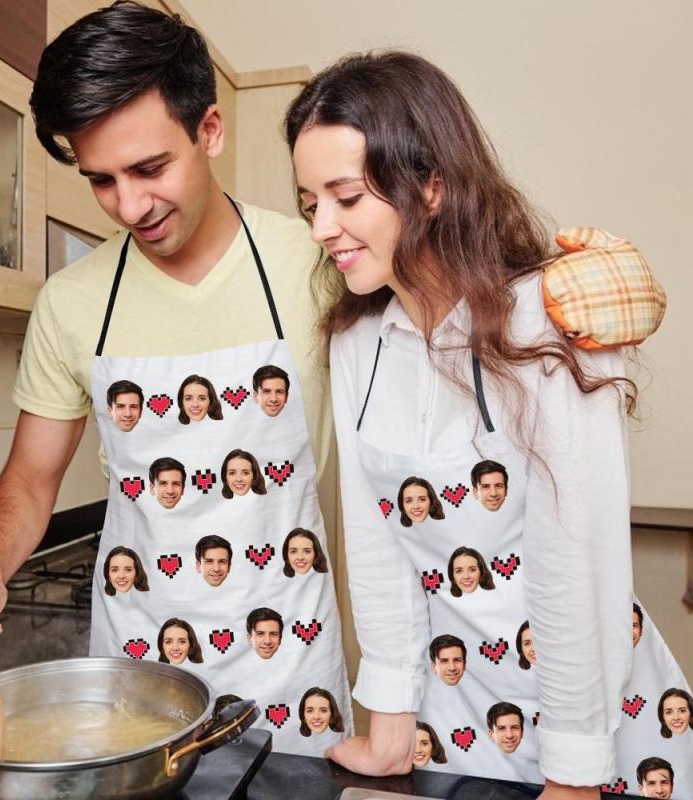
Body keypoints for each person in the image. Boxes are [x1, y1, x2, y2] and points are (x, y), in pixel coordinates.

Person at [0, 0, 351, 757]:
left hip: (290, 670)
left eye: (150, 169)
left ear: (209, 130)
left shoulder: (315, 265)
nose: (130, 206)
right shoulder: (71, 303)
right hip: (139, 677)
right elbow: (30, 480)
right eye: (102, 180)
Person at [286, 49, 687, 792]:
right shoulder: (356, 339)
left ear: (432, 186)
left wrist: (573, 776)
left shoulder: (551, 319)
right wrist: (390, 727)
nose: (321, 227)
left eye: (345, 197)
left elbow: (579, 560)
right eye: (311, 203)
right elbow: (377, 545)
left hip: (593, 717)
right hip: (458, 709)